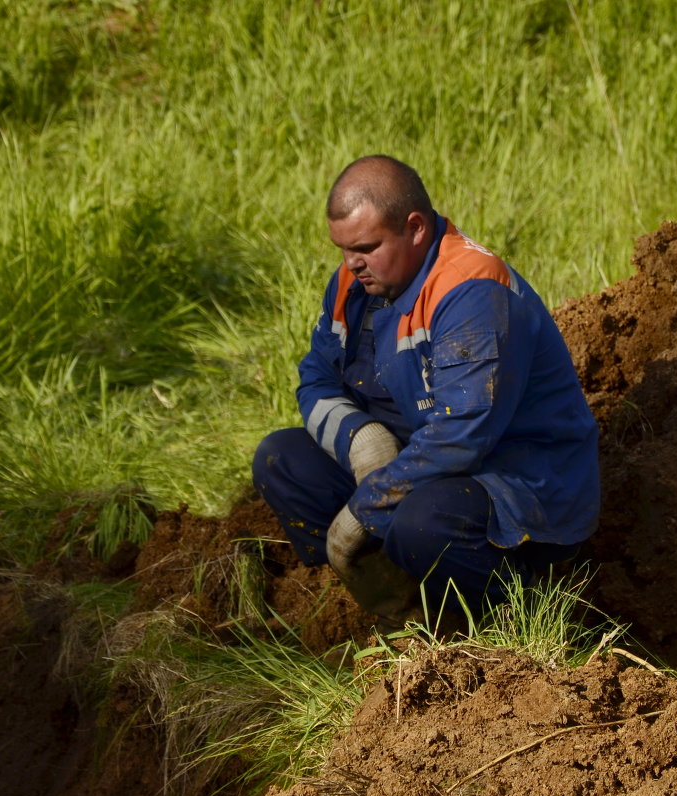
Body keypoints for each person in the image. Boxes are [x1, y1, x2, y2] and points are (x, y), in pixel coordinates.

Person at [252, 155, 600, 625]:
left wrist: (366, 506)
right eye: (343, 249)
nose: (351, 264)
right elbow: (316, 377)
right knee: (283, 459)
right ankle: (405, 616)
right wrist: (362, 439)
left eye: (367, 246)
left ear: (415, 228)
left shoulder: (471, 290)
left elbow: (461, 436)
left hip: (518, 480)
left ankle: (512, 623)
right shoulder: (356, 283)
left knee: (424, 523)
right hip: (419, 463)